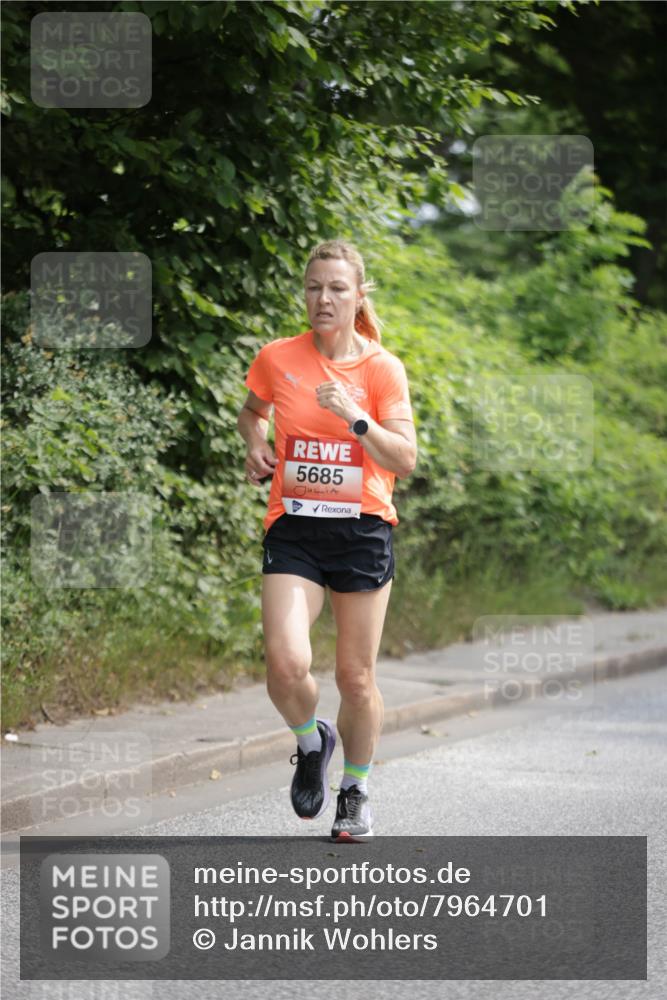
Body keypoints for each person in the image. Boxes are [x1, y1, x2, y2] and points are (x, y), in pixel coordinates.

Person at [237, 239, 417, 842]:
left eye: (337, 288)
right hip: (295, 527)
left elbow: (406, 457)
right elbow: (252, 410)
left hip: (363, 531)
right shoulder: (278, 357)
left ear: (358, 295)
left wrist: (355, 418)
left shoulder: (380, 368)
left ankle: (356, 789)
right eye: (315, 287)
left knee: (356, 678)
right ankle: (312, 742)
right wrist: (254, 442)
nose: (324, 298)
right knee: (286, 666)